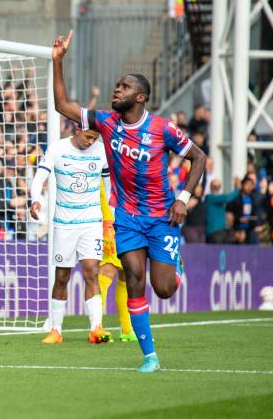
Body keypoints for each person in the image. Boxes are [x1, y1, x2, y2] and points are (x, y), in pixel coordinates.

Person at [49, 30, 207, 372]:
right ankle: (150, 356)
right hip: (127, 217)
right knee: (134, 278)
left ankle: (175, 266)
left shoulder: (163, 129)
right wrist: (57, 61)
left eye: (123, 87)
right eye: (116, 86)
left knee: (163, 289)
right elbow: (63, 105)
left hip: (162, 216)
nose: (115, 90)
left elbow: (200, 158)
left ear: (140, 96)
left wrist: (182, 197)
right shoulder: (106, 122)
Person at [29, 127, 113, 345]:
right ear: (77, 130)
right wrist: (35, 199)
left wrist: (111, 216)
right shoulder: (58, 148)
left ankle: (96, 328)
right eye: (88, 137)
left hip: (92, 223)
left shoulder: (101, 151)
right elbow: (39, 179)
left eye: (94, 138)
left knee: (91, 272)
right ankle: (56, 330)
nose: (90, 142)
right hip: (65, 224)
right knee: (62, 277)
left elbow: (109, 187)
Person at [97, 183, 136, 342]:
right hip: (111, 221)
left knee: (126, 274)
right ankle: (96, 327)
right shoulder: (105, 159)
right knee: (108, 269)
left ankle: (127, 329)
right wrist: (107, 219)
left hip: (129, 219)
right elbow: (102, 189)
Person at [204, 178, 239, 243]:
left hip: (222, 231)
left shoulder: (219, 198)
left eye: (218, 186)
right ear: (211, 187)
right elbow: (227, 198)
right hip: (213, 232)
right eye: (214, 186)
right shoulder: (209, 197)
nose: (217, 188)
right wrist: (237, 189)